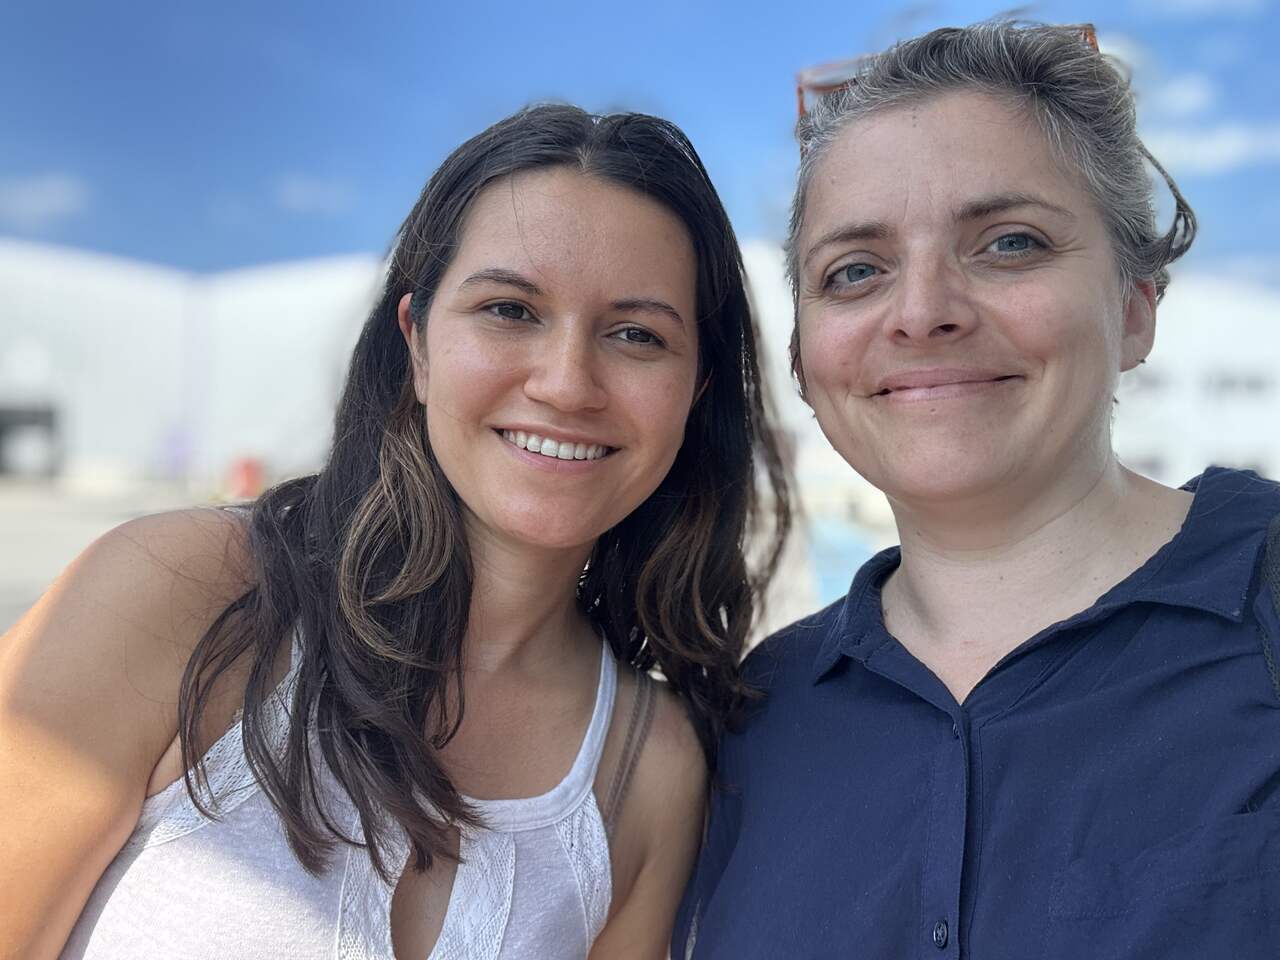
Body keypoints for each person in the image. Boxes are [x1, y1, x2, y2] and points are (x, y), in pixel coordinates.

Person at [0, 104, 791, 959]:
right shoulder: (176, 590)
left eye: (637, 334)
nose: (568, 384)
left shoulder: (652, 768)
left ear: (695, 390)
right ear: (417, 345)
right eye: (510, 310)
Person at [675, 20, 1280, 960]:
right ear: (801, 357)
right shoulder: (749, 722)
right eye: (856, 271)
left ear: (1135, 306)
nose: (922, 313)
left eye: (1008, 243)